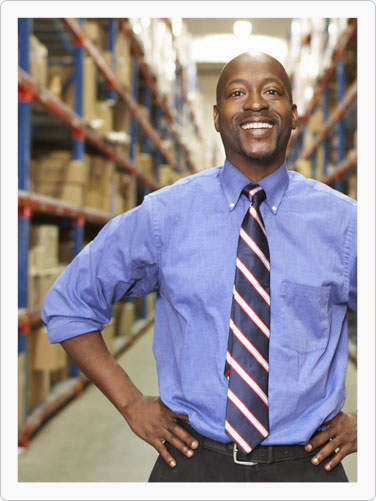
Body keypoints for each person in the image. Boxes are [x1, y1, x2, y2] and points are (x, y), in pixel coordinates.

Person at [42, 51, 357, 482]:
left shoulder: (346, 224)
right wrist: (132, 404)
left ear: (294, 115)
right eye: (236, 92)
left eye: (272, 91)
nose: (256, 104)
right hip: (191, 463)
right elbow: (69, 303)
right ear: (216, 116)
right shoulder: (163, 216)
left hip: (307, 467)